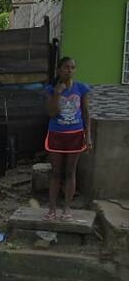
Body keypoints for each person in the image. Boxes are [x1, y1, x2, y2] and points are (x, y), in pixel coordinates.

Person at [44, 57, 92, 221]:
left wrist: (89, 137)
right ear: (59, 70)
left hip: (76, 134)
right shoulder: (51, 89)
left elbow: (86, 113)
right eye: (66, 67)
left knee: (71, 172)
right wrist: (57, 93)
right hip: (56, 134)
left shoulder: (81, 88)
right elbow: (51, 113)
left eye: (72, 67)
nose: (69, 70)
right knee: (56, 173)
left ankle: (67, 209)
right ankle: (52, 209)